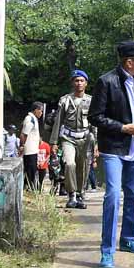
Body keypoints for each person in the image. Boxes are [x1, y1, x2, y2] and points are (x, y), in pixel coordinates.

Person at [88, 40, 134, 268]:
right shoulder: (106, 82)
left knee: (133, 195)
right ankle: (107, 251)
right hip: (113, 148)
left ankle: (127, 238)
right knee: (113, 196)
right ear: (130, 62)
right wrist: (124, 128)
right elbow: (95, 117)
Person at [50, 70, 96, 209]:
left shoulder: (91, 101)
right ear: (72, 83)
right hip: (68, 138)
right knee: (70, 164)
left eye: (82, 80)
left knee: (83, 168)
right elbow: (58, 121)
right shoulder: (65, 100)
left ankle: (80, 194)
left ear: (86, 83)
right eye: (76, 80)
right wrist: (53, 142)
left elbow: (95, 123)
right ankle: (71, 195)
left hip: (86, 139)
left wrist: (97, 144)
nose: (79, 83)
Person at [20, 102, 44, 191]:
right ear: (35, 110)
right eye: (40, 111)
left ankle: (29, 187)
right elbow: (24, 134)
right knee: (30, 171)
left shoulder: (34, 119)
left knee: (32, 171)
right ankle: (29, 188)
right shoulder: (30, 119)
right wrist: (22, 146)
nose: (41, 113)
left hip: (33, 150)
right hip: (29, 151)